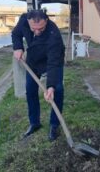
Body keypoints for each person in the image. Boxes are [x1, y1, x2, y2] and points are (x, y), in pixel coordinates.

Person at [12, 9, 65, 141]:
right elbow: (16, 34)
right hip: (33, 61)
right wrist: (18, 47)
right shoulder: (24, 19)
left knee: (57, 90)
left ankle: (54, 125)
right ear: (28, 22)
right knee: (30, 90)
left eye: (40, 28)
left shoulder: (54, 35)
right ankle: (34, 123)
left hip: (53, 61)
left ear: (46, 21)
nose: (36, 32)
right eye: (33, 28)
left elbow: (53, 63)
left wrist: (50, 86)